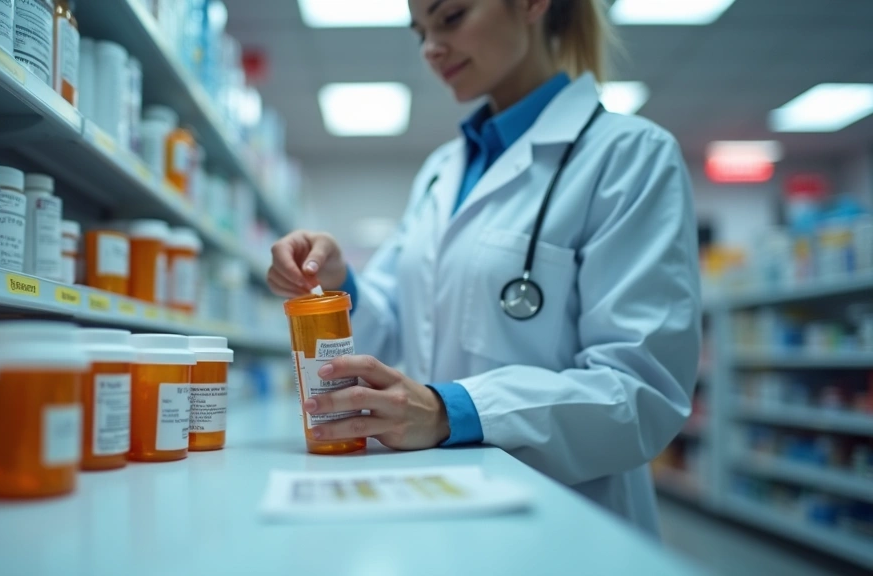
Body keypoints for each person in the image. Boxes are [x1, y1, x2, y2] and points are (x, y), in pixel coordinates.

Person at [267, 0, 700, 536]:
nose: (430, 48)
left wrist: (451, 411)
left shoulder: (631, 156)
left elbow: (641, 392)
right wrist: (337, 283)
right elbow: (398, 329)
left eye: (449, 18)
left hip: (566, 525)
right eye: (419, 31)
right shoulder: (441, 171)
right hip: (441, 500)